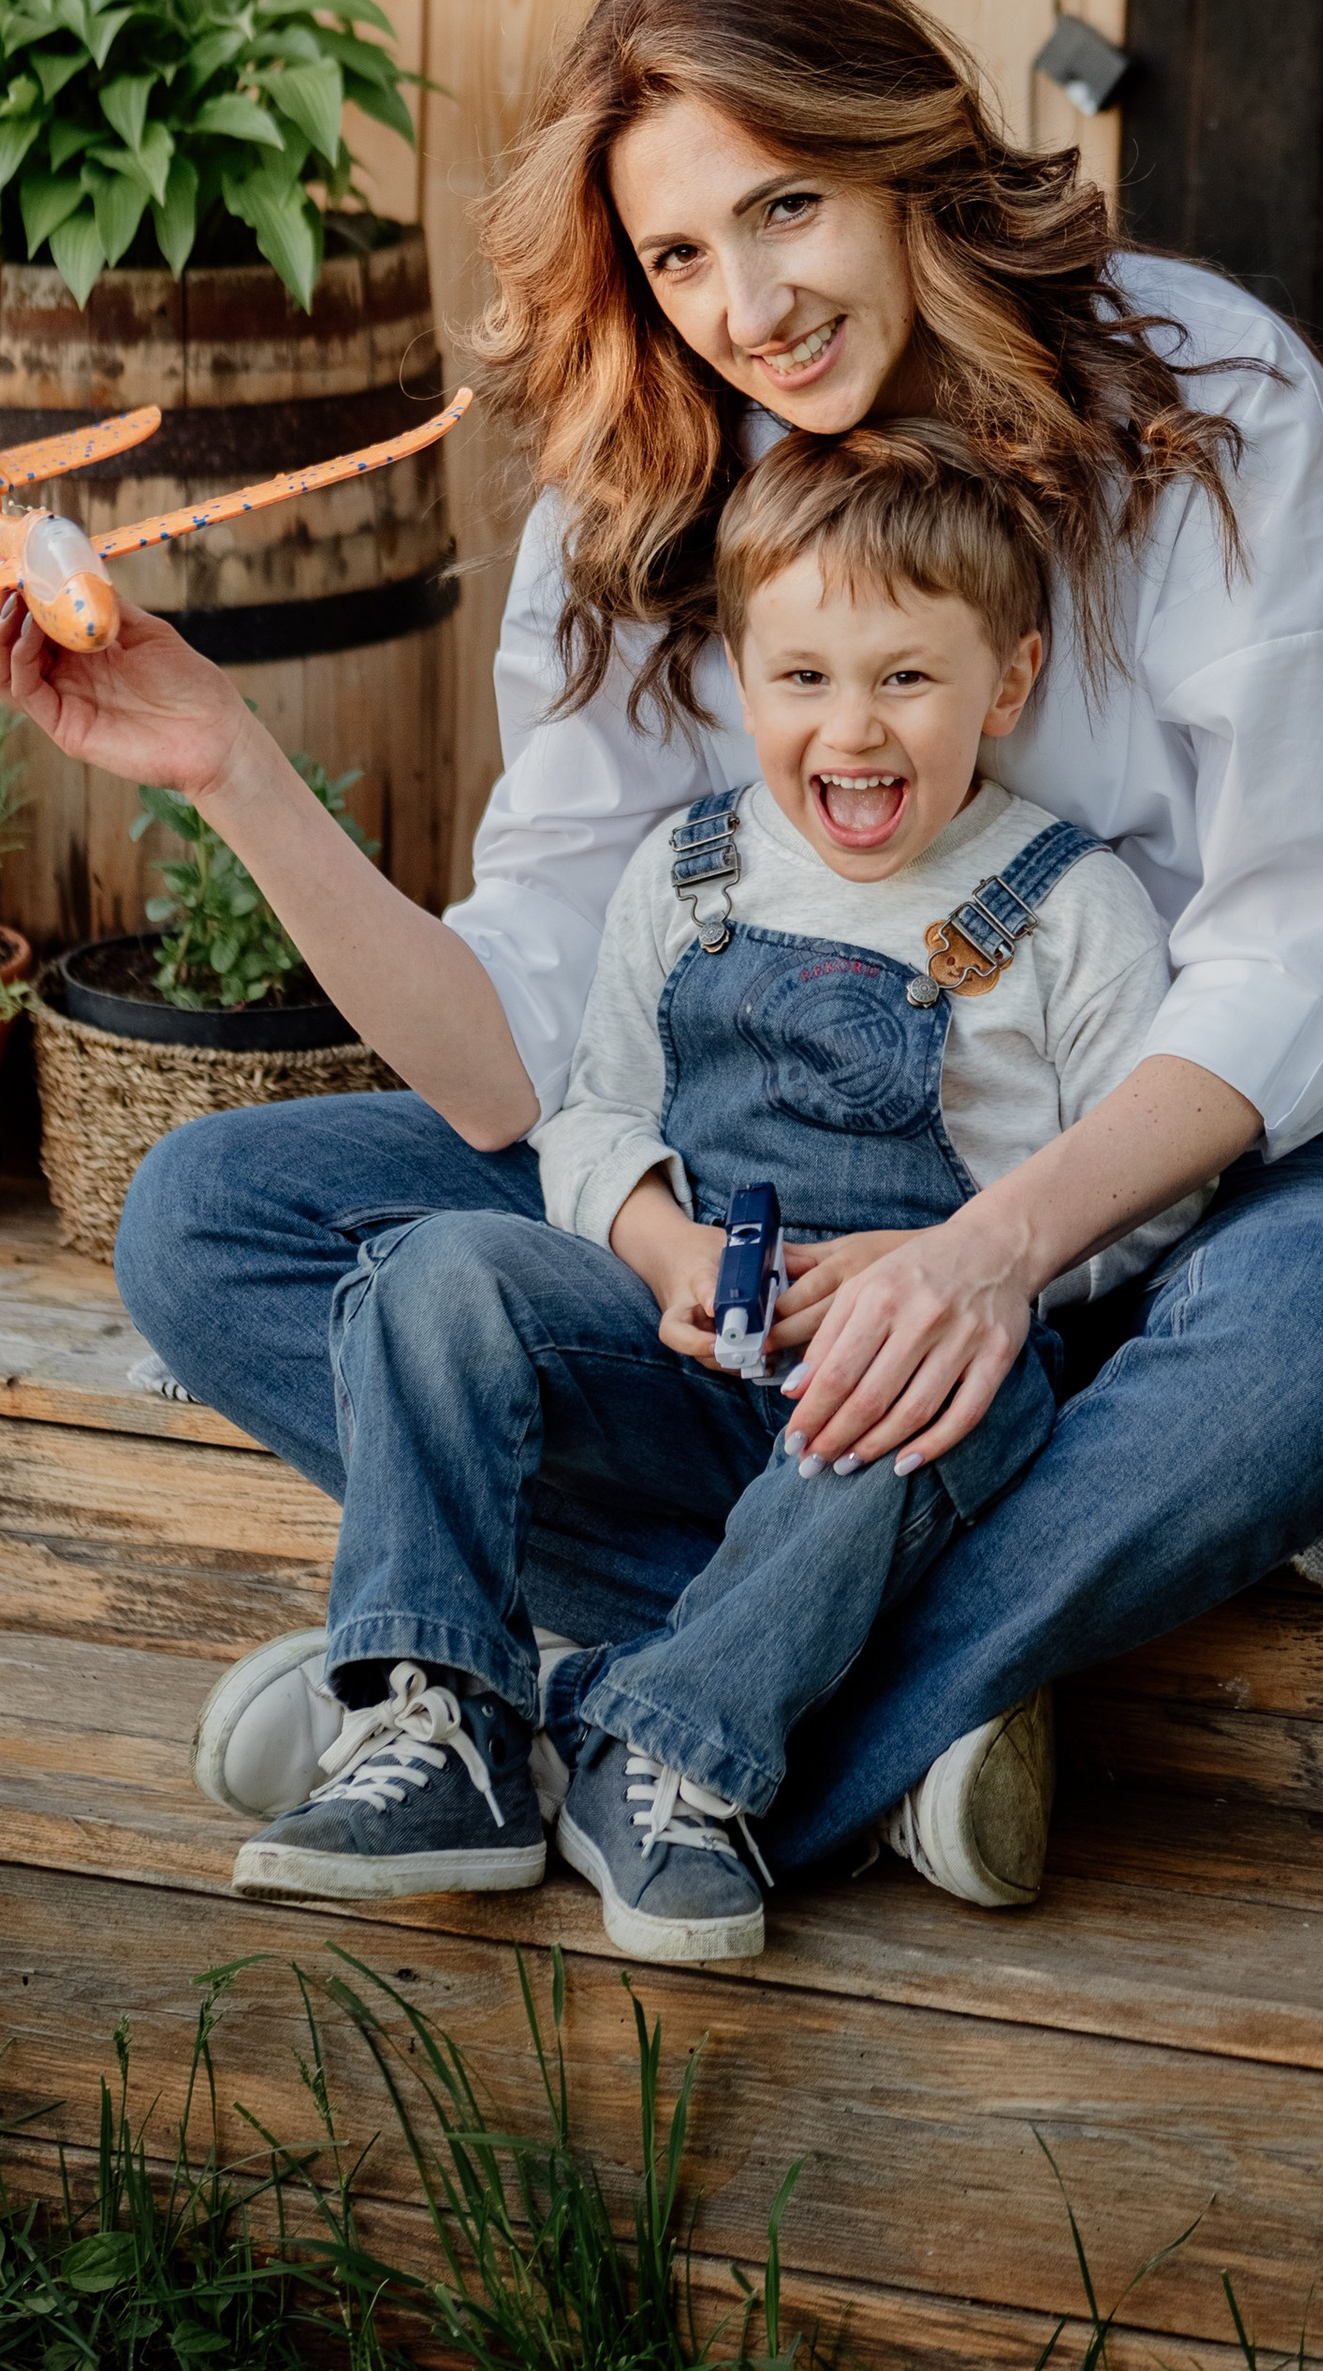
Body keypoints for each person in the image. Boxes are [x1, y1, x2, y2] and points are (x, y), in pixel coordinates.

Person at [0, 0, 1323, 1901]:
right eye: (679, 257)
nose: (749, 307)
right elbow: (516, 1065)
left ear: (899, 160)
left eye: (785, 210)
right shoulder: (636, 493)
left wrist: (989, 1258)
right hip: (768, 1178)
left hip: (1189, 1141)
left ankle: (650, 1719)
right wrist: (228, 772)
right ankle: (834, 1668)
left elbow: (1290, 947)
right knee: (212, 1215)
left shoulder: (1208, 403)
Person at [228, 422, 1175, 1958]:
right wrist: (657, 1240)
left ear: (1006, 681)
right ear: (742, 678)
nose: (853, 729)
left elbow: (1144, 1195)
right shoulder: (689, 873)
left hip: (885, 1400)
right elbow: (591, 1114)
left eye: (906, 678)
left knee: (987, 1393)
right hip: (688, 1352)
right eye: (804, 677)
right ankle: (441, 1724)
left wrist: (961, 1267)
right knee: (442, 1265)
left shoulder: (1071, 910)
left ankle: (664, 1744)